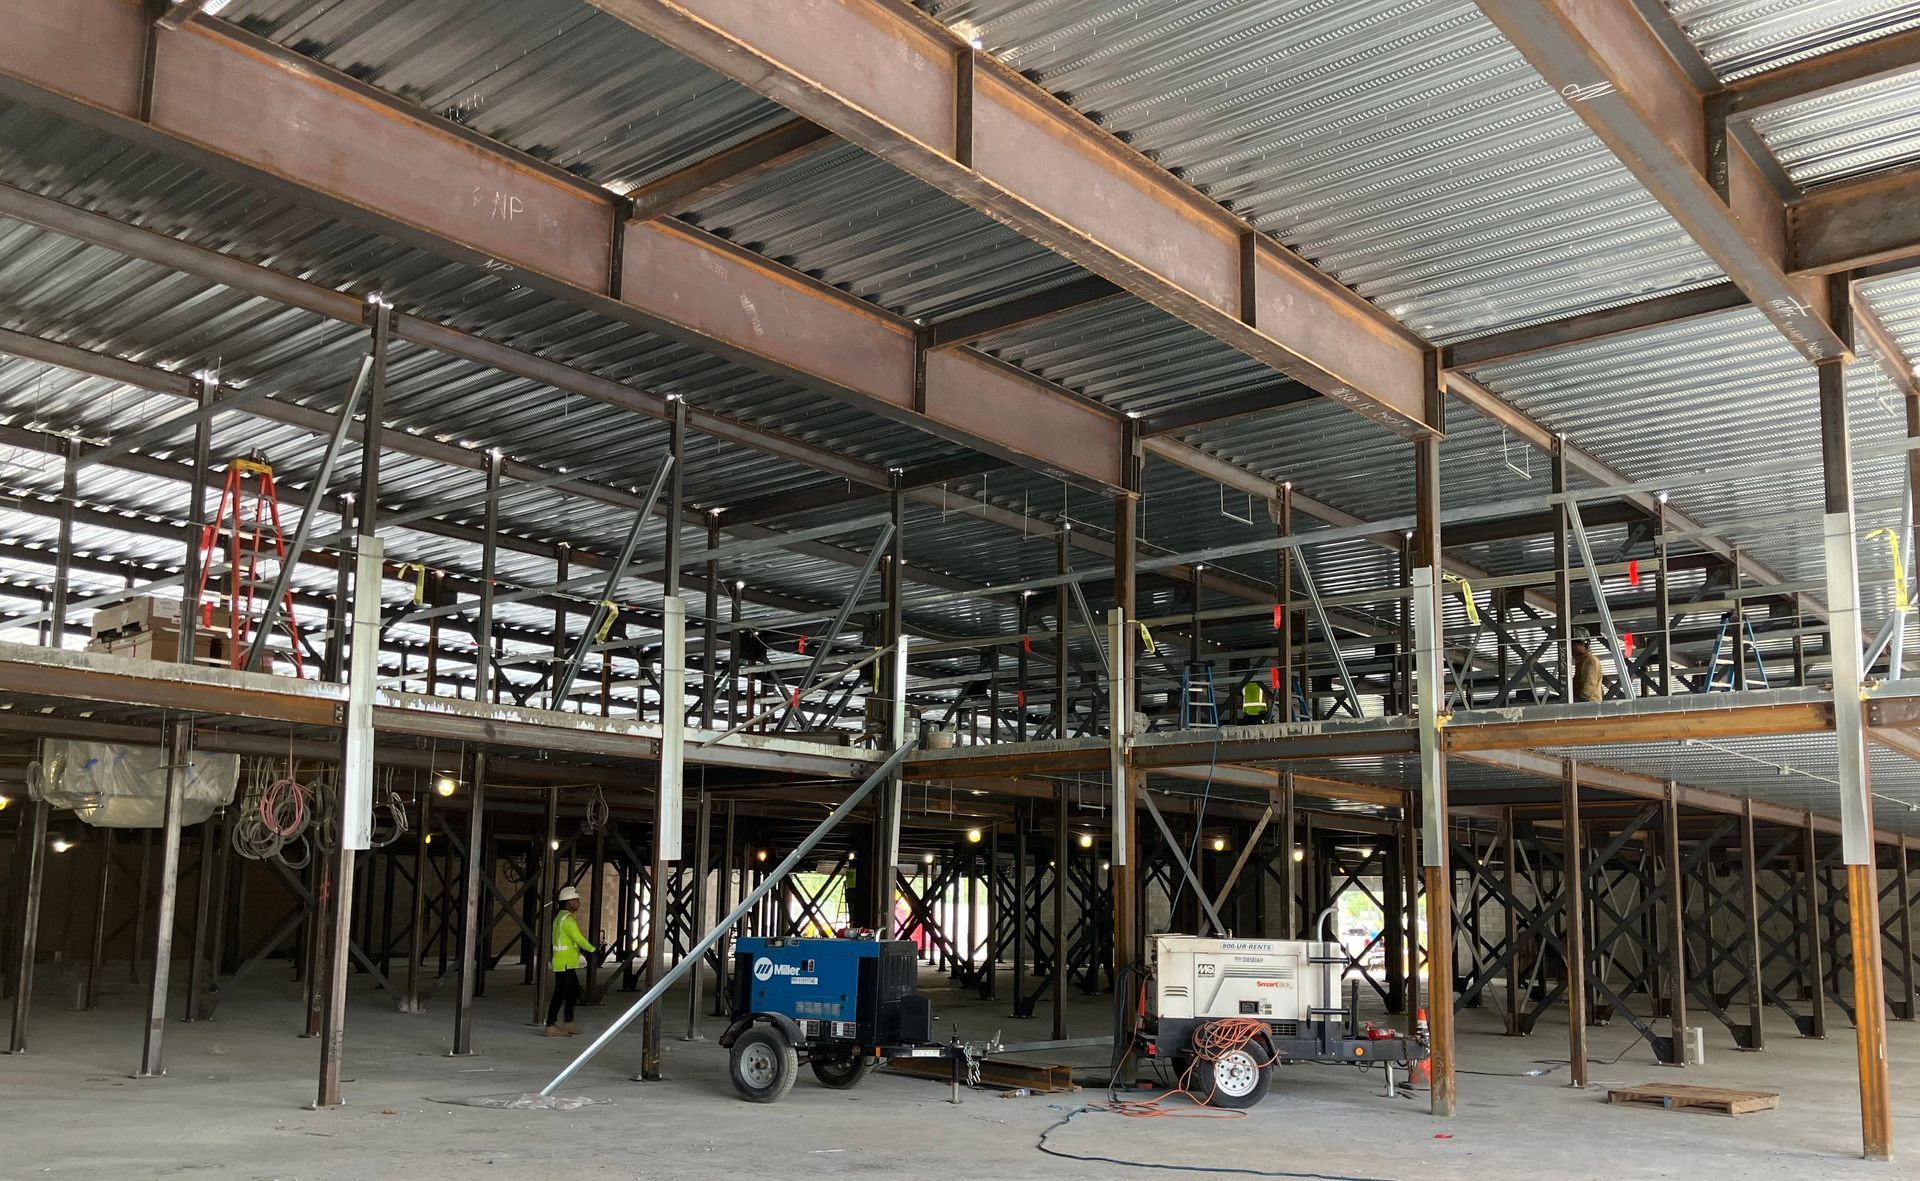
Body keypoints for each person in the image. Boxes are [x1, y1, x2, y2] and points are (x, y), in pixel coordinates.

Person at [546, 885, 595, 1037]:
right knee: (560, 993)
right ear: (568, 902)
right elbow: (578, 938)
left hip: (565, 962)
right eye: (575, 900)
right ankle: (550, 1026)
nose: (578, 902)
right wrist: (593, 950)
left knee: (572, 991)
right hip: (564, 962)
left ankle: (568, 1022)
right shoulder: (567, 920)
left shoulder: (561, 917)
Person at [1571, 637, 1603, 703]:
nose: (1572, 648)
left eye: (1575, 645)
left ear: (1583, 645)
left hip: (1589, 701)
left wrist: (1580, 699)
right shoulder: (1581, 661)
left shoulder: (1590, 661)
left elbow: (1590, 683)